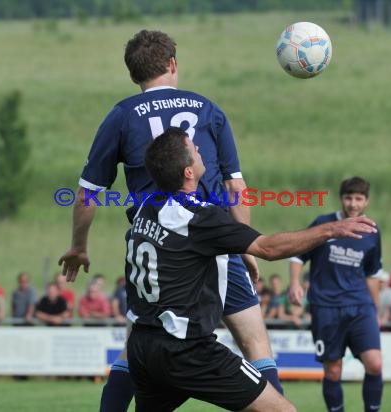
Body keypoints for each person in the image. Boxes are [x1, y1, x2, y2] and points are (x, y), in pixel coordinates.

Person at [58, 29, 284, 410]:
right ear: (173, 64)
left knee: (137, 349)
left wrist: (79, 246)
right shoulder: (208, 108)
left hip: (155, 244)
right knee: (255, 343)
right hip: (211, 238)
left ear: (134, 74)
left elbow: (87, 194)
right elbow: (236, 186)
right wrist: (244, 246)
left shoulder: (122, 115)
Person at [124, 128, 376, 411]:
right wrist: (332, 229)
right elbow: (268, 248)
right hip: (187, 350)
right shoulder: (197, 216)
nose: (200, 149)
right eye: (194, 148)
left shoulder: (145, 207)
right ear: (188, 172)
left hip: (143, 346)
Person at [289, 176, 383, 412]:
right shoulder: (324, 223)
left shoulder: (372, 231)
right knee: (333, 370)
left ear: (366, 201)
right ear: (341, 199)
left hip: (360, 307)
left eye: (358, 198)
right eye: (348, 198)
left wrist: (377, 309)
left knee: (375, 364)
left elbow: (372, 272)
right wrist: (295, 283)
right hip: (326, 307)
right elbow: (298, 255)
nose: (353, 203)